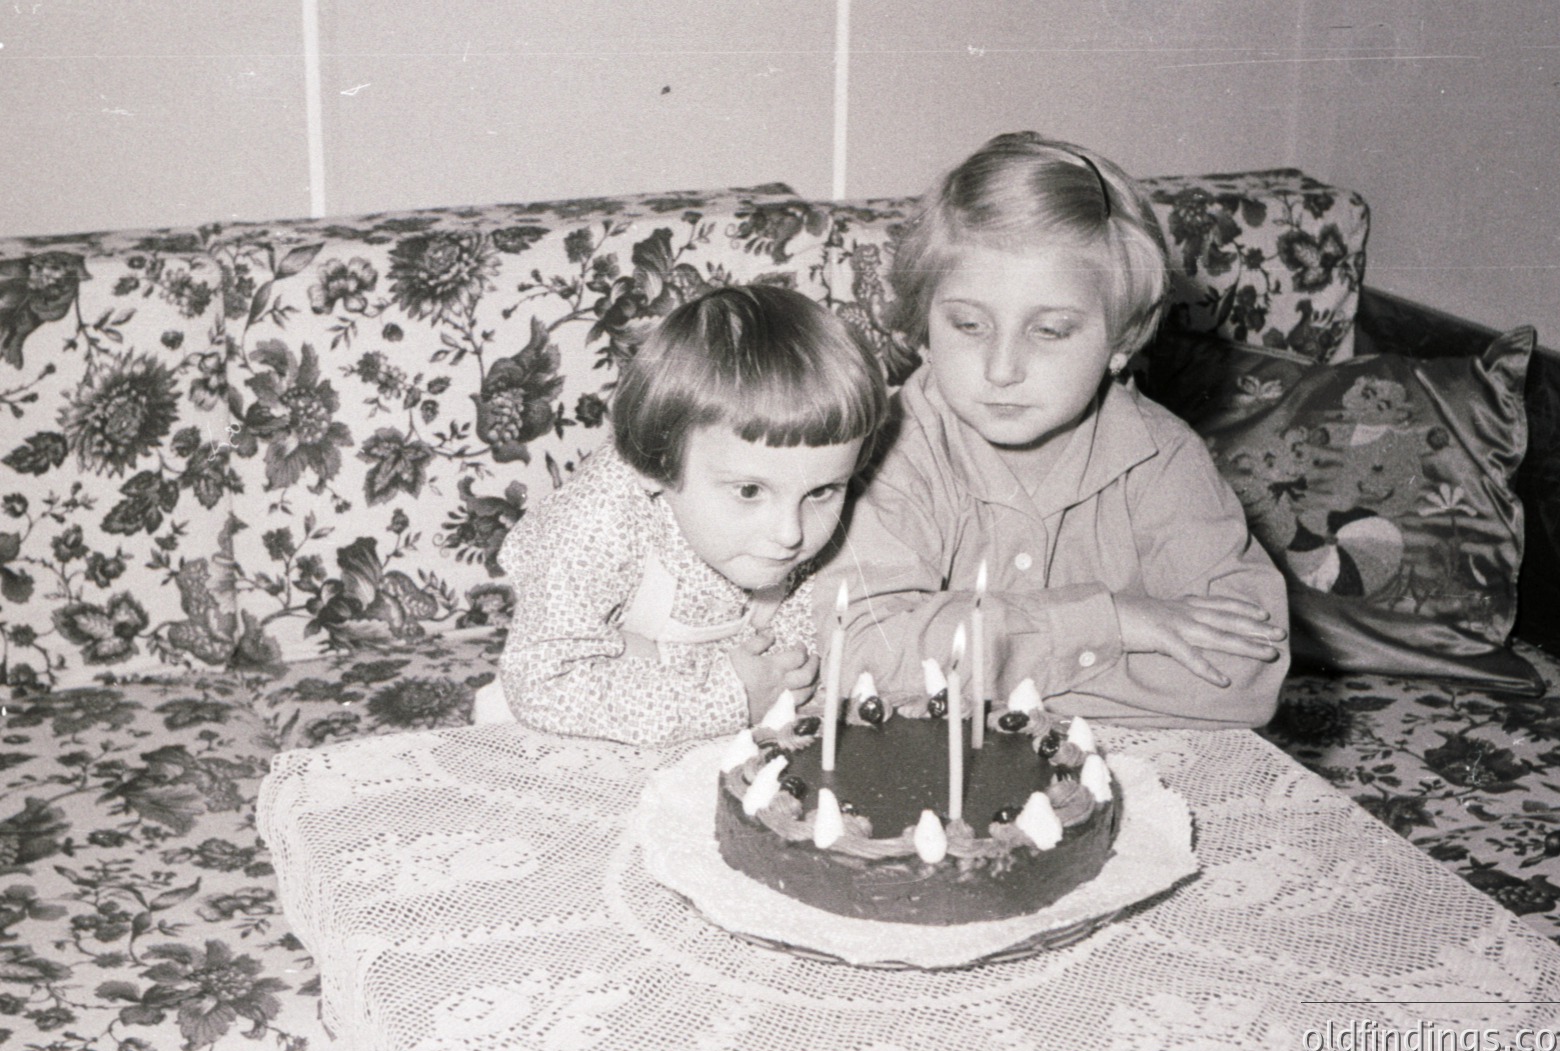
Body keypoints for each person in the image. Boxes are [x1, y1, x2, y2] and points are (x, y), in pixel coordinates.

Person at [819, 132, 1289, 728]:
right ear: (921, 329)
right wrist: (1114, 623)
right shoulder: (883, 449)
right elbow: (860, 655)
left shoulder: (1162, 457)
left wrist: (967, 673)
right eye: (968, 324)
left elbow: (1244, 674)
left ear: (1121, 339)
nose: (1001, 369)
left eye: (1049, 331)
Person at [491, 284, 890, 744]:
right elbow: (543, 683)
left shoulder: (794, 521)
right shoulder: (593, 523)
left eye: (822, 491)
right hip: (563, 736)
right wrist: (729, 697)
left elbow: (799, 646)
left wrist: (795, 677)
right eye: (748, 491)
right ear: (655, 464)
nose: (791, 533)